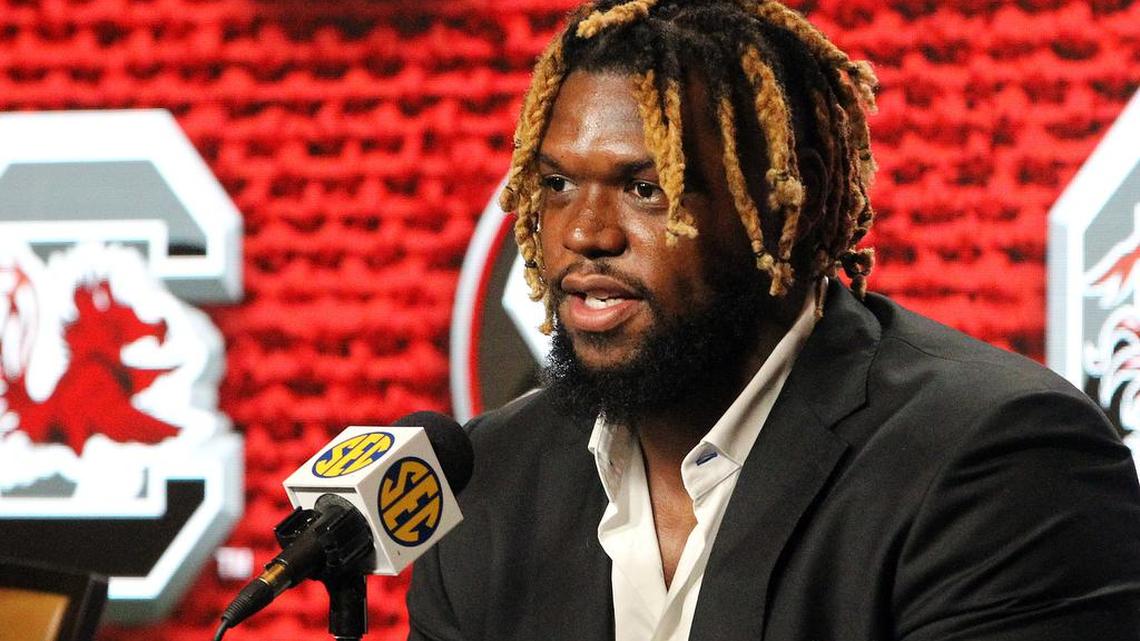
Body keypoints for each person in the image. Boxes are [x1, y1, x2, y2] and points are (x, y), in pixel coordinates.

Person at [407, 1, 1140, 639]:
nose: (585, 232)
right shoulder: (490, 483)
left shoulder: (998, 462)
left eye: (646, 187)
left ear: (794, 200)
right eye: (559, 184)